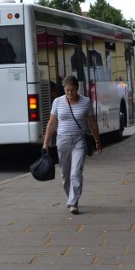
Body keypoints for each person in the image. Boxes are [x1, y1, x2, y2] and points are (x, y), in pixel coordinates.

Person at [42, 75, 102, 215]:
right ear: (64, 89)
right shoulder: (57, 102)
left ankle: (73, 202)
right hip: (62, 141)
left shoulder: (86, 102)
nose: (70, 93)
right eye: (67, 90)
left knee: (76, 172)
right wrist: (45, 143)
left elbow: (92, 123)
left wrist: (97, 141)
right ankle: (70, 197)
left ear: (77, 89)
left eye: (73, 90)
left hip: (79, 140)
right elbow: (51, 124)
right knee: (65, 174)